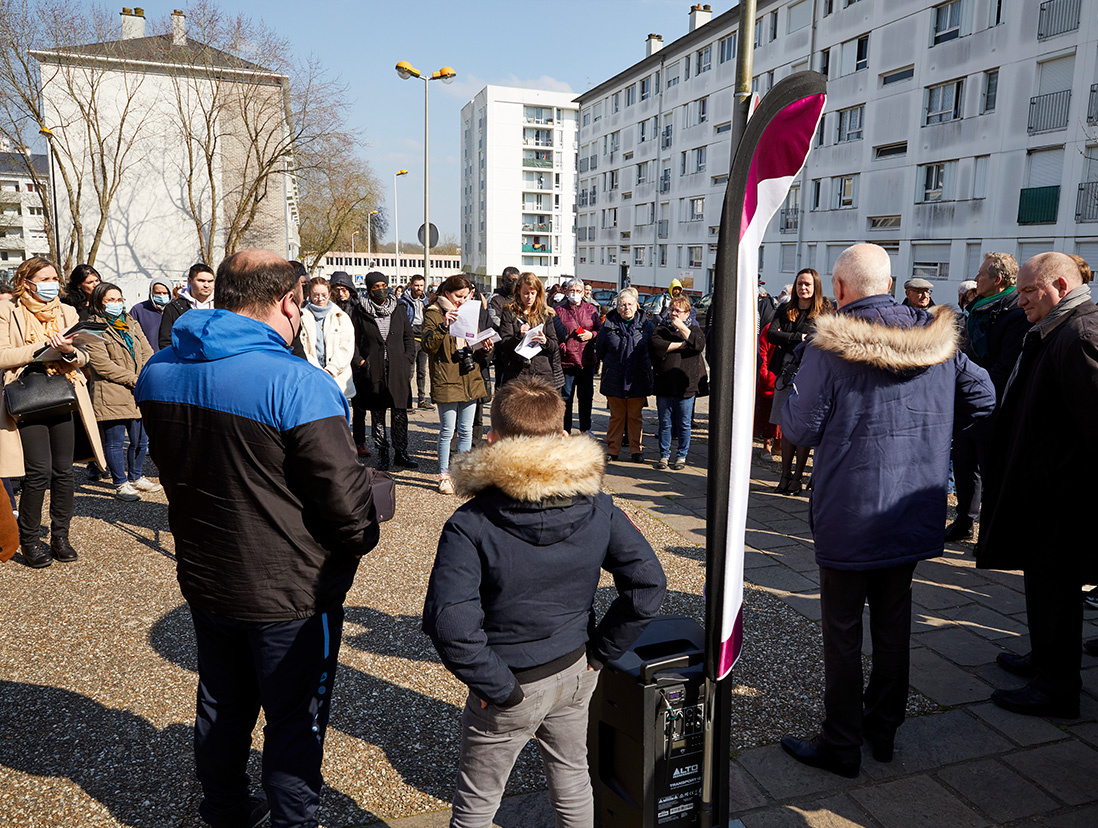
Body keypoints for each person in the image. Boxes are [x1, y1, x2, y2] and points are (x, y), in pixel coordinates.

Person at [136, 249, 384, 828]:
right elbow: (349, 512)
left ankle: (223, 809)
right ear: (288, 300)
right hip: (291, 590)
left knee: (222, 704)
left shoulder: (159, 369)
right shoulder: (300, 383)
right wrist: (361, 533)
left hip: (205, 574)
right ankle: (294, 820)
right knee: (295, 717)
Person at [779, 243, 995, 778]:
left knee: (844, 630)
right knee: (895, 623)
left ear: (842, 289)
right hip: (912, 504)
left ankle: (842, 743)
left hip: (851, 511)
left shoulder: (828, 346)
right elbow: (984, 395)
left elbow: (799, 429)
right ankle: (882, 732)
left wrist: (788, 389)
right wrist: (935, 441)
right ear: (892, 283)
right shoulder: (936, 340)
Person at [422, 377, 667, 828]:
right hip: (575, 669)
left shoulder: (470, 523)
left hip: (514, 679)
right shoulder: (600, 506)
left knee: (478, 802)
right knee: (573, 776)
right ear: (562, 437)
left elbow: (451, 625)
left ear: (492, 441)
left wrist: (498, 688)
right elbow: (648, 585)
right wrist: (600, 654)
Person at [977, 252, 1098, 719]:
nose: (1020, 300)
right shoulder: (1057, 328)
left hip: (1063, 497)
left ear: (1061, 287)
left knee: (1056, 587)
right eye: (1021, 290)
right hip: (1044, 490)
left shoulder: (1081, 334)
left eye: (1029, 291)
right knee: (1044, 585)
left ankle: (1057, 687)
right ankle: (1045, 659)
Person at [0, 257, 106, 568]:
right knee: (38, 473)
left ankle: (61, 536)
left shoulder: (66, 310)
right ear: (26, 281)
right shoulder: (8, 309)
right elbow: (3, 354)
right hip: (28, 396)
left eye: (54, 278)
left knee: (63, 471)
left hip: (64, 393)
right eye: (44, 278)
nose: (51, 284)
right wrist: (43, 348)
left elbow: (85, 355)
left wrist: (70, 351)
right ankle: (30, 539)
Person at [946, 252, 1030, 542]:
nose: (976, 278)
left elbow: (1004, 365)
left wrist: (976, 391)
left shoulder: (1015, 313)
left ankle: (991, 534)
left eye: (981, 274)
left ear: (996, 280)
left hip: (991, 404)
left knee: (990, 471)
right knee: (963, 463)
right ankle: (964, 522)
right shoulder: (977, 308)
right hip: (967, 400)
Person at [85, 282, 159, 501]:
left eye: (119, 299)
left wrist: (144, 375)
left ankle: (136, 476)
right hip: (111, 390)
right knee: (115, 441)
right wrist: (133, 379)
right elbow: (101, 364)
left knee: (140, 440)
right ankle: (120, 482)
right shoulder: (93, 327)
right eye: (110, 300)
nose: (116, 304)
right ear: (99, 302)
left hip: (137, 389)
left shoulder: (130, 322)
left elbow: (147, 350)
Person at [423, 274, 492, 494]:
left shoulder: (470, 311)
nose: (462, 300)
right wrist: (444, 326)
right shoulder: (434, 312)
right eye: (458, 296)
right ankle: (444, 475)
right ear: (447, 294)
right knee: (447, 431)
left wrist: (486, 346)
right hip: (447, 378)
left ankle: (459, 474)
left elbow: (475, 343)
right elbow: (428, 346)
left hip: (469, 378)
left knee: (466, 430)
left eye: (465, 296)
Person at [767, 268, 826, 494]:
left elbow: (819, 339)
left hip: (809, 376)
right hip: (784, 374)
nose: (803, 288)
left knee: (802, 428)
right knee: (786, 427)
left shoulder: (824, 312)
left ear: (815, 287)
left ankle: (798, 478)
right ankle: (784, 476)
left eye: (808, 284)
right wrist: (797, 338)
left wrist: (788, 338)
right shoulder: (784, 308)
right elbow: (771, 334)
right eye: (800, 283)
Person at [354, 272, 418, 471]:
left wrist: (408, 358)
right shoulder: (360, 310)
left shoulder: (398, 307)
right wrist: (361, 362)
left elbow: (408, 336)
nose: (381, 289)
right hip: (374, 369)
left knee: (400, 413)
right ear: (369, 289)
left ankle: (401, 453)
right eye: (376, 287)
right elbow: (353, 340)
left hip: (398, 367)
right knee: (378, 414)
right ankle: (382, 453)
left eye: (384, 285)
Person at [595, 287, 654, 463]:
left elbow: (652, 350)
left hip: (638, 378)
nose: (626, 307)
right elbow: (600, 350)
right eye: (623, 304)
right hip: (615, 377)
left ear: (636, 306)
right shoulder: (608, 326)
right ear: (618, 307)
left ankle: (636, 450)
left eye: (630, 304)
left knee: (635, 417)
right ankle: (613, 450)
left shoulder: (647, 326)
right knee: (616, 417)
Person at [649, 294, 705, 470]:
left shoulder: (694, 330)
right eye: (672, 310)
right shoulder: (661, 329)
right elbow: (656, 346)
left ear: (687, 314)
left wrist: (681, 328)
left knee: (684, 423)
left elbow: (698, 345)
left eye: (678, 311)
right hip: (664, 384)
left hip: (686, 386)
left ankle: (681, 456)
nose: (673, 313)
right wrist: (681, 345)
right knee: (665, 423)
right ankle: (664, 455)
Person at [496, 273, 563, 391]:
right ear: (518, 292)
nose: (529, 297)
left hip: (541, 373)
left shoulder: (544, 314)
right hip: (517, 373)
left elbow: (554, 345)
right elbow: (504, 345)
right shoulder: (509, 312)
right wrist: (518, 336)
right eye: (526, 293)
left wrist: (545, 341)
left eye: (533, 293)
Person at [300, 277, 357, 402]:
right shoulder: (302, 316)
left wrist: (331, 370)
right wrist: (317, 370)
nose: (320, 299)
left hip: (337, 377)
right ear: (309, 295)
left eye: (324, 295)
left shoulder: (341, 316)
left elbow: (346, 347)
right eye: (316, 295)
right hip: (312, 374)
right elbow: (303, 347)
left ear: (329, 294)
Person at [555, 278, 600, 434]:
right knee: (566, 397)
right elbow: (555, 333)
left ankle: (585, 428)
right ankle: (565, 429)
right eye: (572, 291)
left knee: (586, 397)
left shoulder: (592, 310)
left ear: (583, 292)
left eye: (578, 291)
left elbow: (600, 332)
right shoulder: (559, 310)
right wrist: (563, 347)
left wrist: (591, 334)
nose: (574, 294)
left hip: (586, 360)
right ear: (566, 292)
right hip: (567, 360)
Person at [159, 263, 215, 350]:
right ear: (189, 281)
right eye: (201, 281)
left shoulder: (224, 305)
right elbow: (166, 342)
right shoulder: (174, 308)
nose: (206, 285)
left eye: (210, 281)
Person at [399, 273, 433, 410]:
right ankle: (407, 401)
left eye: (421, 285)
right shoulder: (404, 300)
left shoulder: (427, 300)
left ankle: (421, 399)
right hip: (411, 337)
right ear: (411, 285)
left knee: (422, 371)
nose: (419, 288)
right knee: (410, 371)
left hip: (423, 336)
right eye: (416, 285)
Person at [128, 277, 173, 353]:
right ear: (151, 293)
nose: (161, 296)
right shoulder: (139, 310)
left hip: (172, 357)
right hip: (149, 357)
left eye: (165, 293)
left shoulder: (176, 309)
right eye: (158, 293)